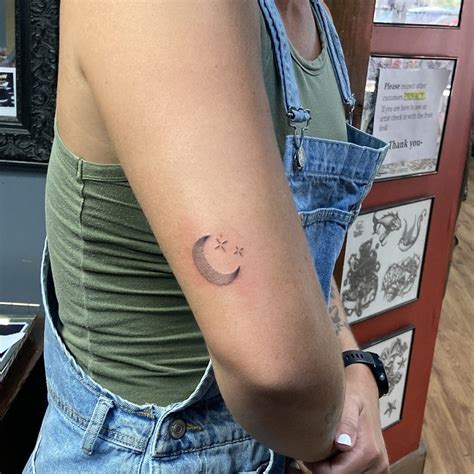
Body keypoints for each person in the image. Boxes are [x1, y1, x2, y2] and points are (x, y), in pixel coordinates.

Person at [24, 1, 390, 472]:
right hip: (150, 454)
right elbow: (279, 375)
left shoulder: (310, 12)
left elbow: (295, 241)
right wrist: (333, 437)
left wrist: (353, 364)